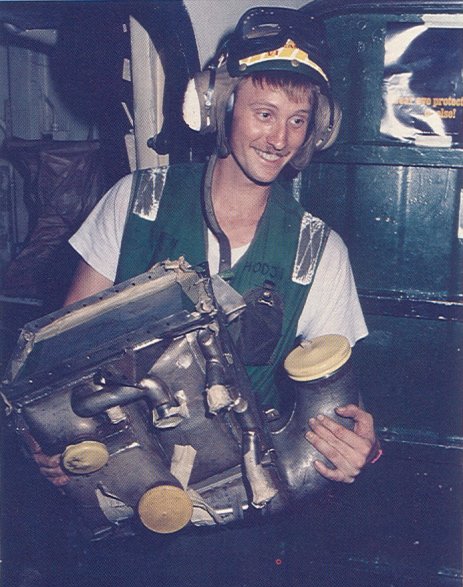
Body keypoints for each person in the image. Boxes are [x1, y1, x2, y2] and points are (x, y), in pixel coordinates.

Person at [34, 6, 380, 497]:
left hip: (246, 494)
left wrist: (361, 445)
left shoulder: (320, 250)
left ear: (316, 130)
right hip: (127, 480)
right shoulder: (137, 203)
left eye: (298, 120)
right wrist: (52, 441)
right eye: (265, 114)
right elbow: (66, 356)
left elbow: (339, 404)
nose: (280, 139)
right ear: (220, 107)